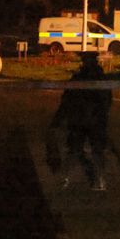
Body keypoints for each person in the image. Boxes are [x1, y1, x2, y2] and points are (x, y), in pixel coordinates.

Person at [50, 51, 112, 191]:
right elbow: (106, 100)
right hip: (91, 120)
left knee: (77, 150)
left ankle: (67, 179)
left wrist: (59, 119)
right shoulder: (100, 78)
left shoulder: (81, 78)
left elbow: (67, 100)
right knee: (91, 150)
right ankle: (99, 180)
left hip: (82, 119)